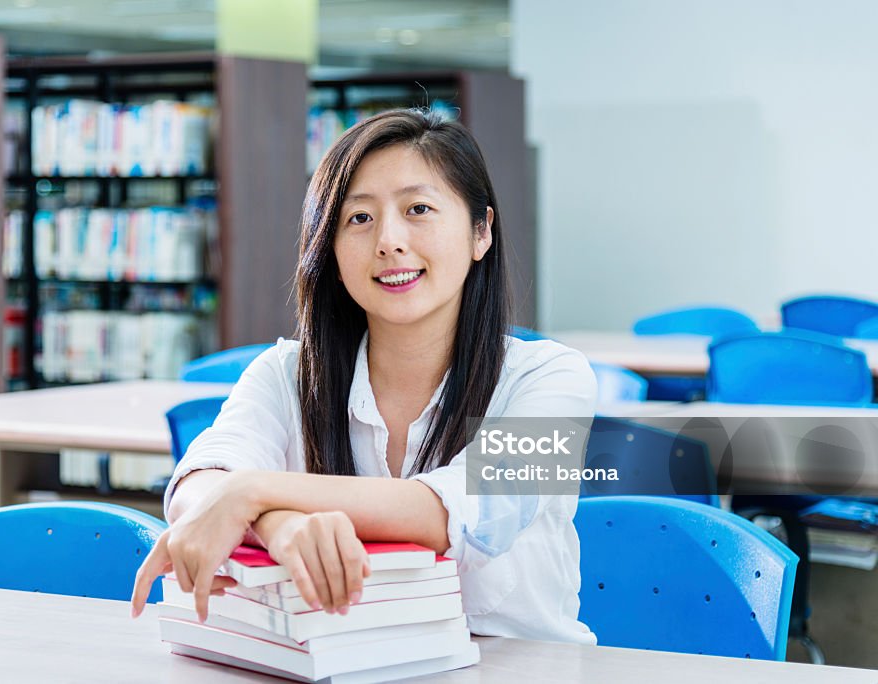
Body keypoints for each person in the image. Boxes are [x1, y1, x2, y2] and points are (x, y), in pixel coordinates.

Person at [131, 108, 597, 644]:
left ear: (480, 232)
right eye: (359, 218)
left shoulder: (554, 381)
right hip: (342, 666)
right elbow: (199, 486)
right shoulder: (286, 373)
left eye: (418, 208)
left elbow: (464, 513)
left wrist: (252, 492)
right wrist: (280, 526)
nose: (388, 241)